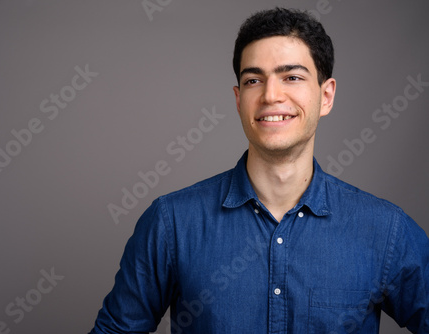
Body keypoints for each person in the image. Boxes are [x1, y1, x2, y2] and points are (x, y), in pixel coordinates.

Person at [88, 7, 429, 333]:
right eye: (254, 80)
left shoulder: (385, 231)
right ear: (238, 99)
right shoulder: (171, 223)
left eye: (291, 77)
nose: (271, 95)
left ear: (326, 96)